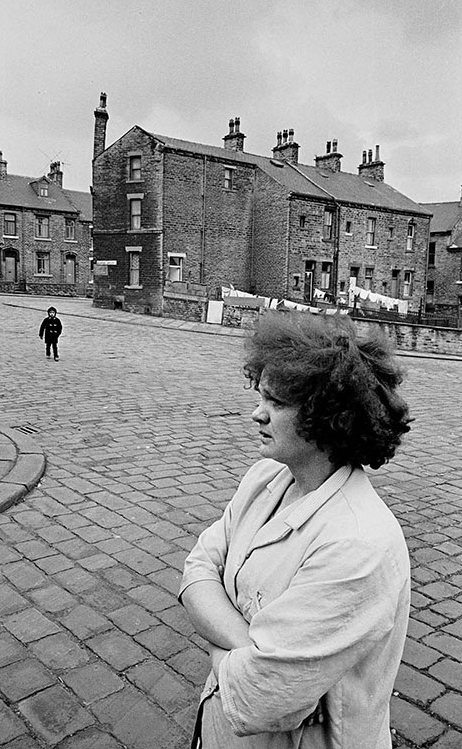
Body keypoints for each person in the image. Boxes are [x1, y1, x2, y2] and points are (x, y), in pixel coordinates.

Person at [179, 310, 412, 749]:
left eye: (277, 403)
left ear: (329, 416)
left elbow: (258, 700)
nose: (256, 413)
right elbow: (196, 570)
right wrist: (248, 649)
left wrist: (217, 639)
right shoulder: (265, 478)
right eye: (260, 395)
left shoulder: (359, 544)